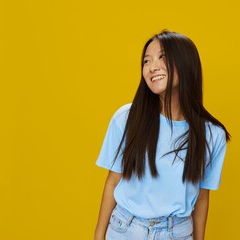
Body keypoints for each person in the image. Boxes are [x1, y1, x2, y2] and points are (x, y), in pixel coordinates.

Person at [94, 30, 230, 240]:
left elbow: (202, 196)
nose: (152, 67)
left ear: (185, 64)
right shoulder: (127, 118)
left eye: (162, 57)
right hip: (125, 230)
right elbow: (113, 181)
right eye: (146, 61)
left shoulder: (212, 135)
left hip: (178, 233)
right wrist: (98, 236)